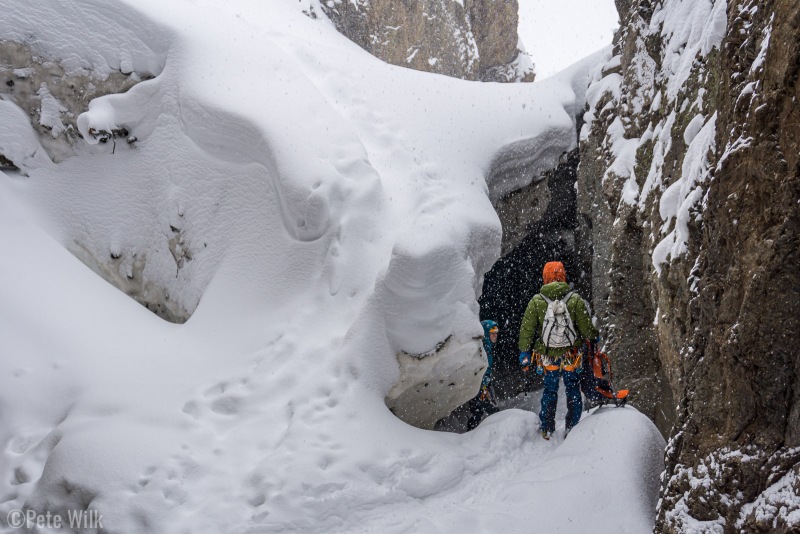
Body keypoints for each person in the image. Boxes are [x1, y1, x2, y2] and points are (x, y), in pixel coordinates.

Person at [518, 261, 598, 439]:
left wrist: (524, 352)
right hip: (571, 356)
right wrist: (594, 336)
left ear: (545, 277)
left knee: (550, 390)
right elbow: (586, 330)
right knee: (572, 389)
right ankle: (572, 427)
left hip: (547, 357)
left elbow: (527, 330)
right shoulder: (575, 299)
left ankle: (547, 428)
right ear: (563, 276)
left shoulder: (536, 301)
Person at [467, 320, 500, 431]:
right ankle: (500, 432)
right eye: (492, 333)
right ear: (486, 333)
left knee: (477, 412)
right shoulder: (482, 349)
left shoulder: (488, 347)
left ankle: (470, 436)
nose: (495, 335)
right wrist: (483, 385)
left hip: (483, 385)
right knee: (493, 411)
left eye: (496, 332)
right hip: (480, 387)